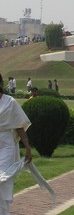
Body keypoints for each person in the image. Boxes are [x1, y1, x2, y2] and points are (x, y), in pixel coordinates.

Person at [0, 73, 33, 214]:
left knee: (2, 178)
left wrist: (27, 148)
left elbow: (19, 125)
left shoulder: (10, 102)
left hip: (6, 144)